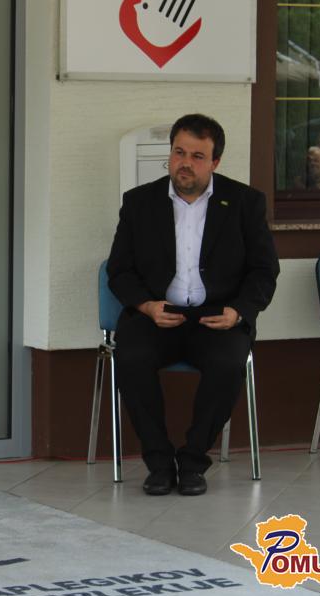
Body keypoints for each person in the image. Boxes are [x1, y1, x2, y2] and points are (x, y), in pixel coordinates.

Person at [107, 113, 279, 496]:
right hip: (157, 314)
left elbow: (264, 270)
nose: (185, 163)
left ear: (215, 162)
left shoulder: (244, 202)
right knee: (130, 357)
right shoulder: (139, 202)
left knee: (228, 363)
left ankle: (193, 460)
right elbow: (119, 270)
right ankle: (158, 463)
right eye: (179, 152)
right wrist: (146, 306)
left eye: (197, 156)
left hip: (217, 316)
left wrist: (238, 311)